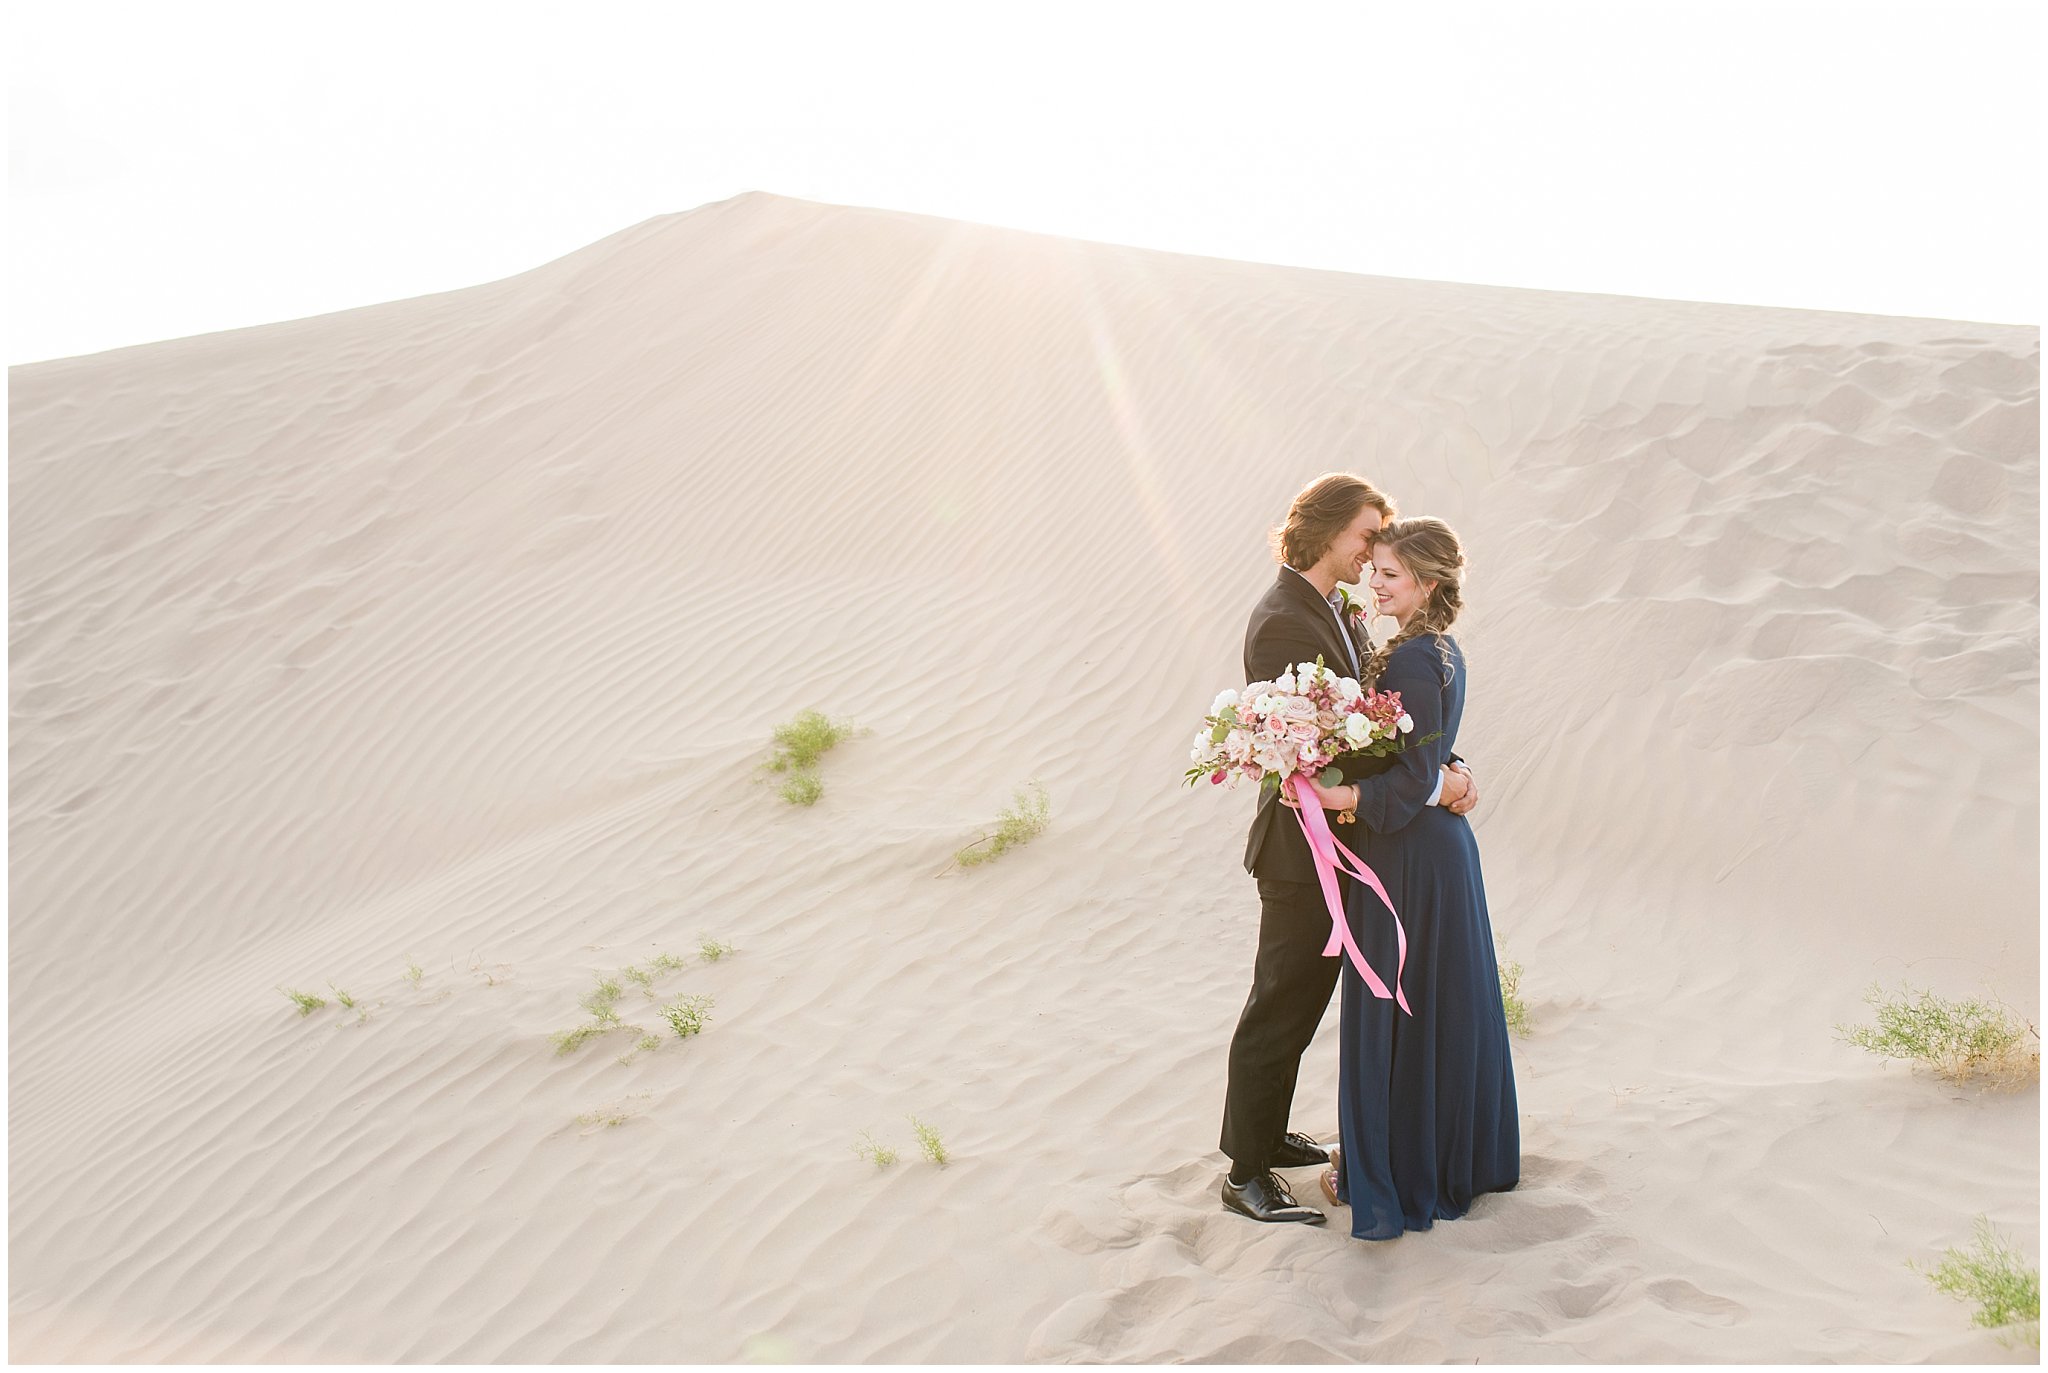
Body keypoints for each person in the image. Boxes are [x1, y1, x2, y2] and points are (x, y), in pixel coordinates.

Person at [1219, 476, 1478, 1225]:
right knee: (1280, 1004)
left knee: (1304, 1004)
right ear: (1329, 531)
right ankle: (1243, 1171)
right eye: (1367, 534)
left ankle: (1266, 1133)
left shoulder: (1332, 609)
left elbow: (1384, 724)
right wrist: (1431, 786)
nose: (1373, 551)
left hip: (1346, 847)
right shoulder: (1282, 620)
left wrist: (1443, 767)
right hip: (1302, 855)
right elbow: (1319, 747)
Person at [1287, 517, 1520, 1239]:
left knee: (1403, 1006)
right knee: (1437, 1007)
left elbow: (1415, 769)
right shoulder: (1440, 651)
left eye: (1391, 574)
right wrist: (1450, 771)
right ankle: (1446, 1155)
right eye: (1376, 569)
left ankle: (1390, 1169)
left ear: (1429, 584)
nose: (1376, 582)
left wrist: (1343, 797)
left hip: (1411, 857)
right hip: (1435, 850)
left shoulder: (1417, 659)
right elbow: (1432, 751)